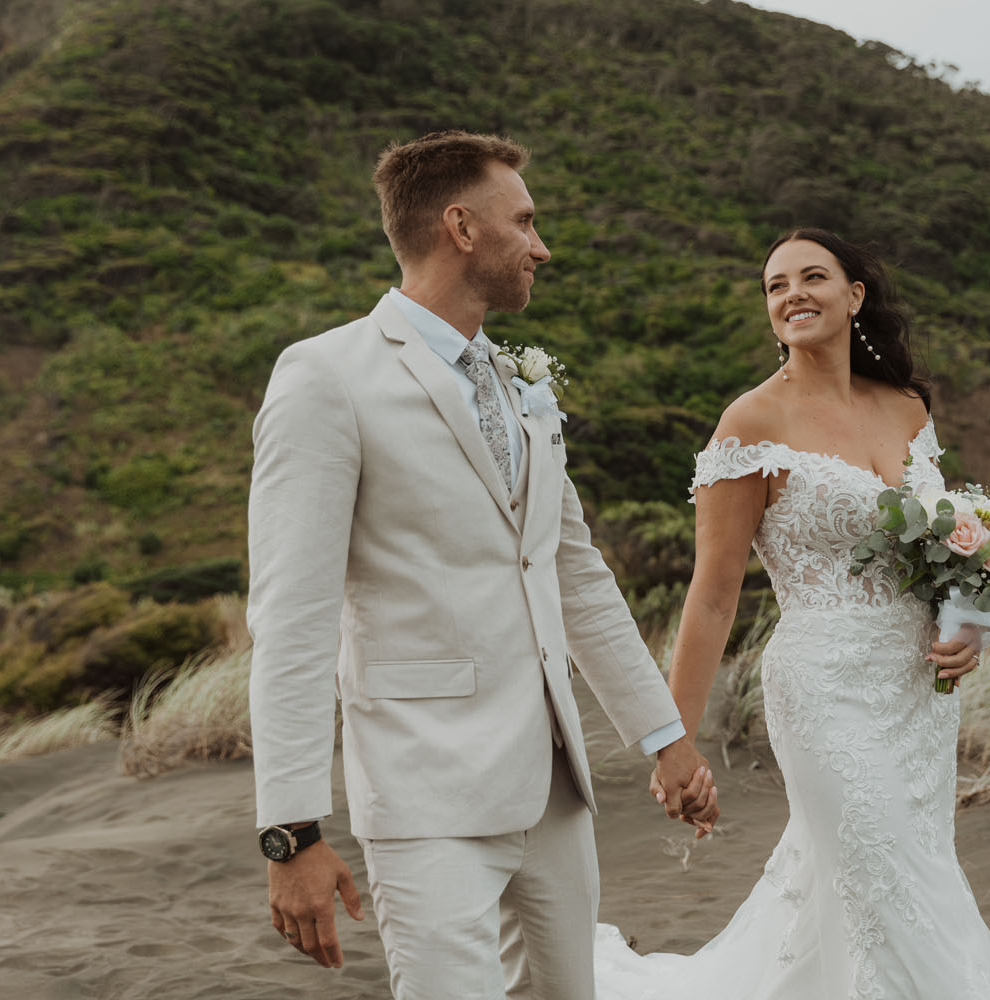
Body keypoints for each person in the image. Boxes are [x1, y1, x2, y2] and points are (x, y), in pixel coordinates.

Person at [246, 130, 717, 1000]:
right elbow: (290, 617)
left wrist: (667, 739)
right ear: (460, 227)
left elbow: (576, 574)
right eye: (526, 222)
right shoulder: (325, 377)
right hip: (426, 794)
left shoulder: (515, 380)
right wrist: (291, 833)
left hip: (555, 788)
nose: (542, 245)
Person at [594, 228, 990, 999]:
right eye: (775, 286)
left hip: (917, 695)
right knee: (879, 866)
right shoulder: (751, 423)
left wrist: (968, 624)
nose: (792, 294)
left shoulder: (905, 409)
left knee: (902, 875)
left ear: (854, 295)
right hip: (824, 689)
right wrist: (677, 743)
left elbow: (942, 543)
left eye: (812, 277)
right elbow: (712, 594)